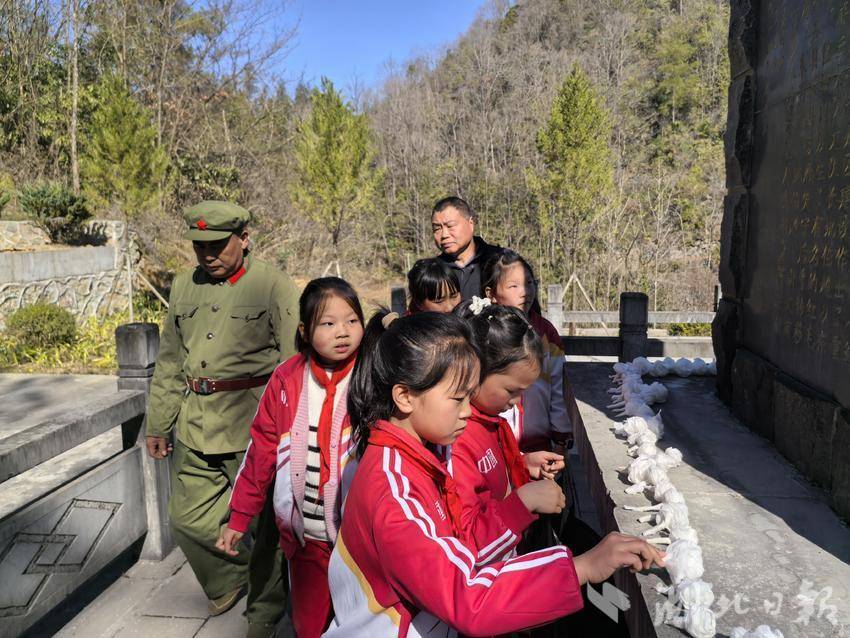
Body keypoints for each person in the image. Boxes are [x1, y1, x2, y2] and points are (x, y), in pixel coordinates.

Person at [323, 310, 665, 637]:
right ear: (405, 396)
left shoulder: (417, 457)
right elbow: (466, 595)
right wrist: (583, 567)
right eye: (458, 399)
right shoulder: (394, 491)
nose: (467, 412)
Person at [145, 200, 299, 638]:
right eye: (200, 246)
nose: (208, 254)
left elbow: (292, 362)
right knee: (185, 519)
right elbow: (170, 360)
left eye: (217, 245)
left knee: (264, 529)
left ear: (244, 239)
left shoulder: (272, 285)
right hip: (195, 422)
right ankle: (231, 578)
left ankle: (264, 614)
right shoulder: (184, 284)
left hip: (252, 423)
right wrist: (158, 423)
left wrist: (290, 427)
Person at [217, 277, 364, 638]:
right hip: (307, 537)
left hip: (360, 540)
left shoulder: (372, 375)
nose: (342, 332)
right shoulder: (287, 379)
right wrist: (239, 517)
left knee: (360, 622)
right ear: (304, 331)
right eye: (328, 323)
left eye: (352, 320)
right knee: (309, 624)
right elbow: (260, 452)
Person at [449, 299, 567, 562]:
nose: (516, 402)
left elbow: (489, 478)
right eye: (512, 391)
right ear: (475, 369)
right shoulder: (457, 436)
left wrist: (523, 464)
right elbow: (468, 545)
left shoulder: (491, 420)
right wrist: (524, 502)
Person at [480, 249, 573, 452]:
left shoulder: (546, 332)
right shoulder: (483, 332)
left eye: (529, 283)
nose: (525, 292)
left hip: (540, 444)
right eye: (513, 286)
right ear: (490, 293)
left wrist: (561, 434)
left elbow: (558, 387)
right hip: (494, 444)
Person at [431, 196, 501, 301]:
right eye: (437, 228)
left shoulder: (501, 262)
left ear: (471, 224)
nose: (444, 235)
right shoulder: (432, 271)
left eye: (450, 226)